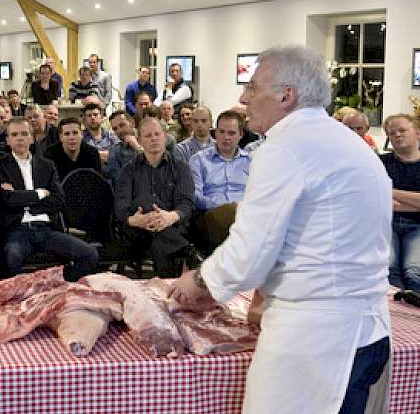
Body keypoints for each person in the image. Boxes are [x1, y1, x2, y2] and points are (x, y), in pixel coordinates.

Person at [168, 46, 392, 414]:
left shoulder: (285, 148)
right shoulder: (350, 144)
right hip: (368, 330)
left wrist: (200, 280)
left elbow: (251, 252)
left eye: (253, 88)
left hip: (316, 339)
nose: (243, 98)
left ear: (286, 95)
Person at [0, 118, 99, 279]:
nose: (20, 138)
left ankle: (60, 288)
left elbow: (59, 200)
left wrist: (27, 204)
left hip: (47, 230)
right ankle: (15, 299)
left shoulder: (46, 165)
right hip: (16, 231)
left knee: (90, 254)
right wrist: (39, 194)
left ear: (32, 138)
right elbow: (6, 200)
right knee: (10, 258)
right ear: (8, 140)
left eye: (24, 134)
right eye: (14, 134)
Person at [114, 116, 195, 277]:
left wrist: (170, 216)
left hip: (172, 225)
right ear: (140, 140)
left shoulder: (180, 167)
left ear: (165, 137)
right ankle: (187, 253)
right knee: (146, 207)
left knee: (159, 239)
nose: (154, 139)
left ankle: (162, 291)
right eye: (148, 136)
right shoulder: (129, 170)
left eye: (157, 134)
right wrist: (134, 220)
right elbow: (121, 206)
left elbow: (186, 204)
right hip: (137, 229)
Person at [188, 110, 250, 254]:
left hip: (246, 216)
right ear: (215, 133)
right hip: (211, 216)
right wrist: (224, 207)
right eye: (221, 132)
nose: (225, 137)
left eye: (231, 133)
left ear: (240, 135)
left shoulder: (251, 161)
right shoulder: (198, 160)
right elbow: (195, 196)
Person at [381, 114, 420, 293]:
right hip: (386, 222)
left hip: (417, 225)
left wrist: (390, 191)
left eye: (402, 130)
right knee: (388, 267)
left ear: (417, 133)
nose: (397, 135)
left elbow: (383, 196)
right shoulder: (380, 163)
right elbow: (376, 201)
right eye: (392, 133)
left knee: (413, 270)